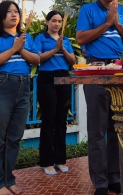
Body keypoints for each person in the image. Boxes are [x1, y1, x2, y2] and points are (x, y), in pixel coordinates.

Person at [76, 0, 123, 195]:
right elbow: (81, 38)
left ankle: (114, 177)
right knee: (97, 130)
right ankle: (100, 183)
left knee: (117, 129)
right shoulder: (88, 10)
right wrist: (106, 23)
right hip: (96, 71)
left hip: (120, 73)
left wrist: (117, 23)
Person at [0, 0, 40, 195]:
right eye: (9, 12)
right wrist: (13, 49)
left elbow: (36, 60)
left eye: (16, 11)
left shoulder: (26, 38)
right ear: (1, 16)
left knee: (14, 137)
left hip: (23, 85)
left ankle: (9, 179)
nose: (14, 15)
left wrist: (21, 48)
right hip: (0, 86)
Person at [34, 11, 76, 175]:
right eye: (53, 21)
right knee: (48, 121)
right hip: (47, 79)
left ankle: (60, 160)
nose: (57, 24)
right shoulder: (40, 38)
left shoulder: (65, 40)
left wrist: (63, 48)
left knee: (61, 120)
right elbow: (38, 58)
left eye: (59, 21)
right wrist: (55, 49)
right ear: (47, 22)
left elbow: (72, 61)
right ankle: (47, 162)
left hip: (63, 78)